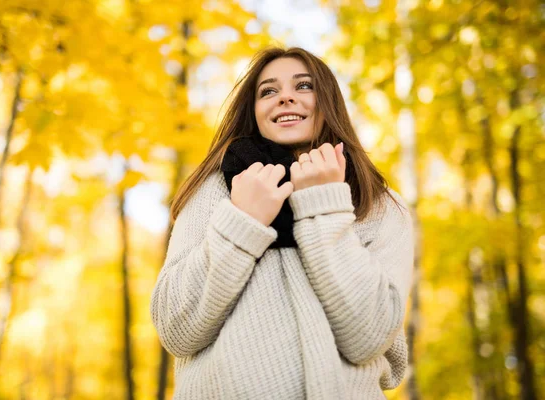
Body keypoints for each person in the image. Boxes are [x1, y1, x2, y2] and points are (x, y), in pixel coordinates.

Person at [150, 47, 414, 399]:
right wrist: (242, 221)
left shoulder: (380, 205)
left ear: (329, 103)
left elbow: (368, 337)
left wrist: (324, 207)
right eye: (269, 91)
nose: (285, 96)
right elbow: (176, 329)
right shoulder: (213, 192)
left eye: (304, 86)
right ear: (255, 111)